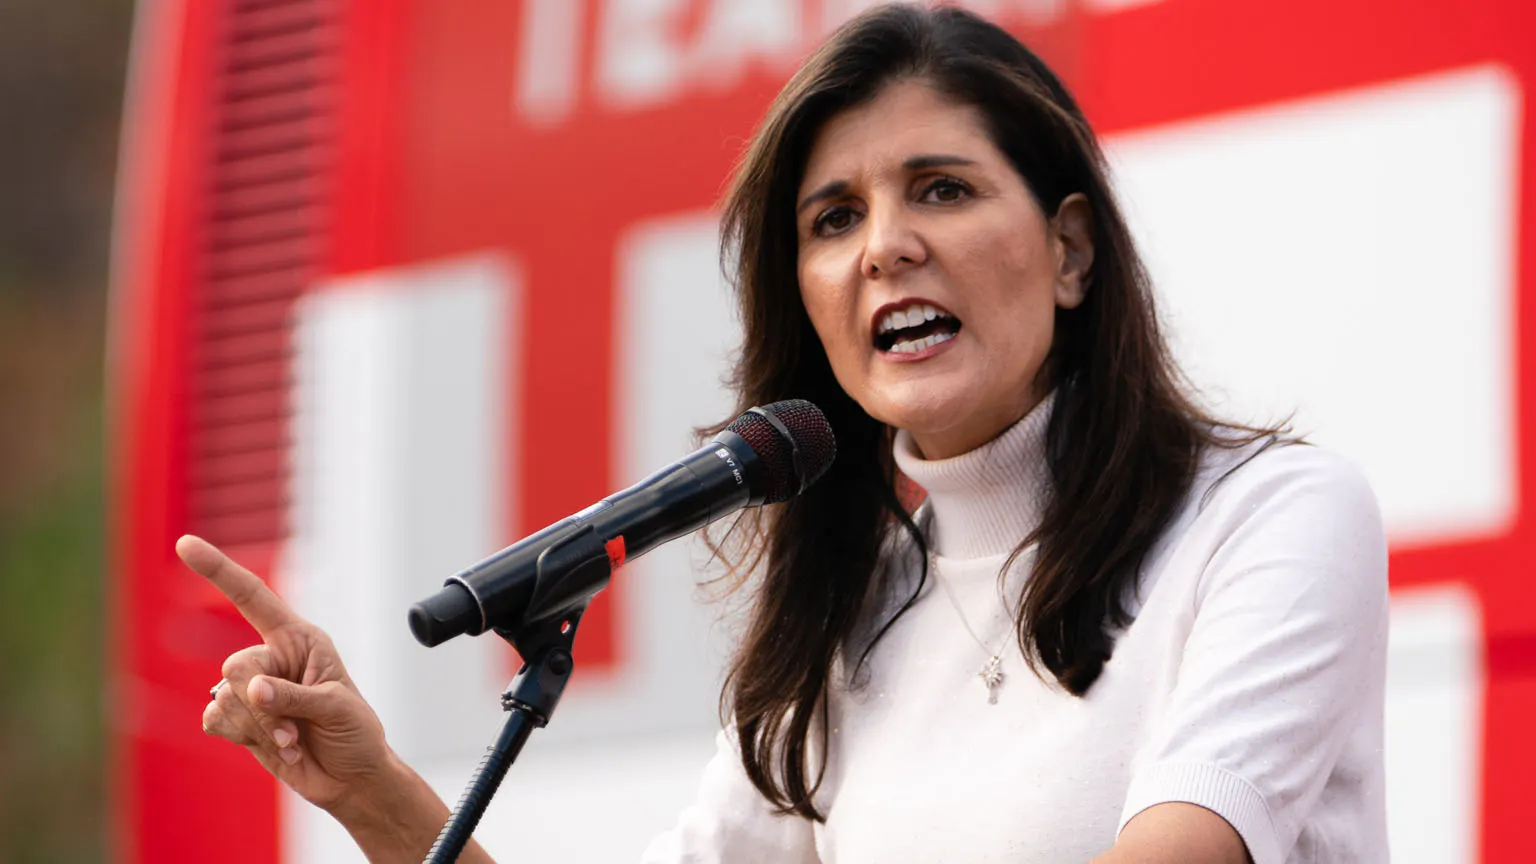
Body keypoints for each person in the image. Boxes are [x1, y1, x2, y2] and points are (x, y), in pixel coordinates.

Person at [182, 4, 1389, 863]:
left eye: (943, 189)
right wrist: (373, 793)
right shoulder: (848, 619)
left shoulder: (1266, 518)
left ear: (1071, 251)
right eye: (834, 218)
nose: (886, 248)